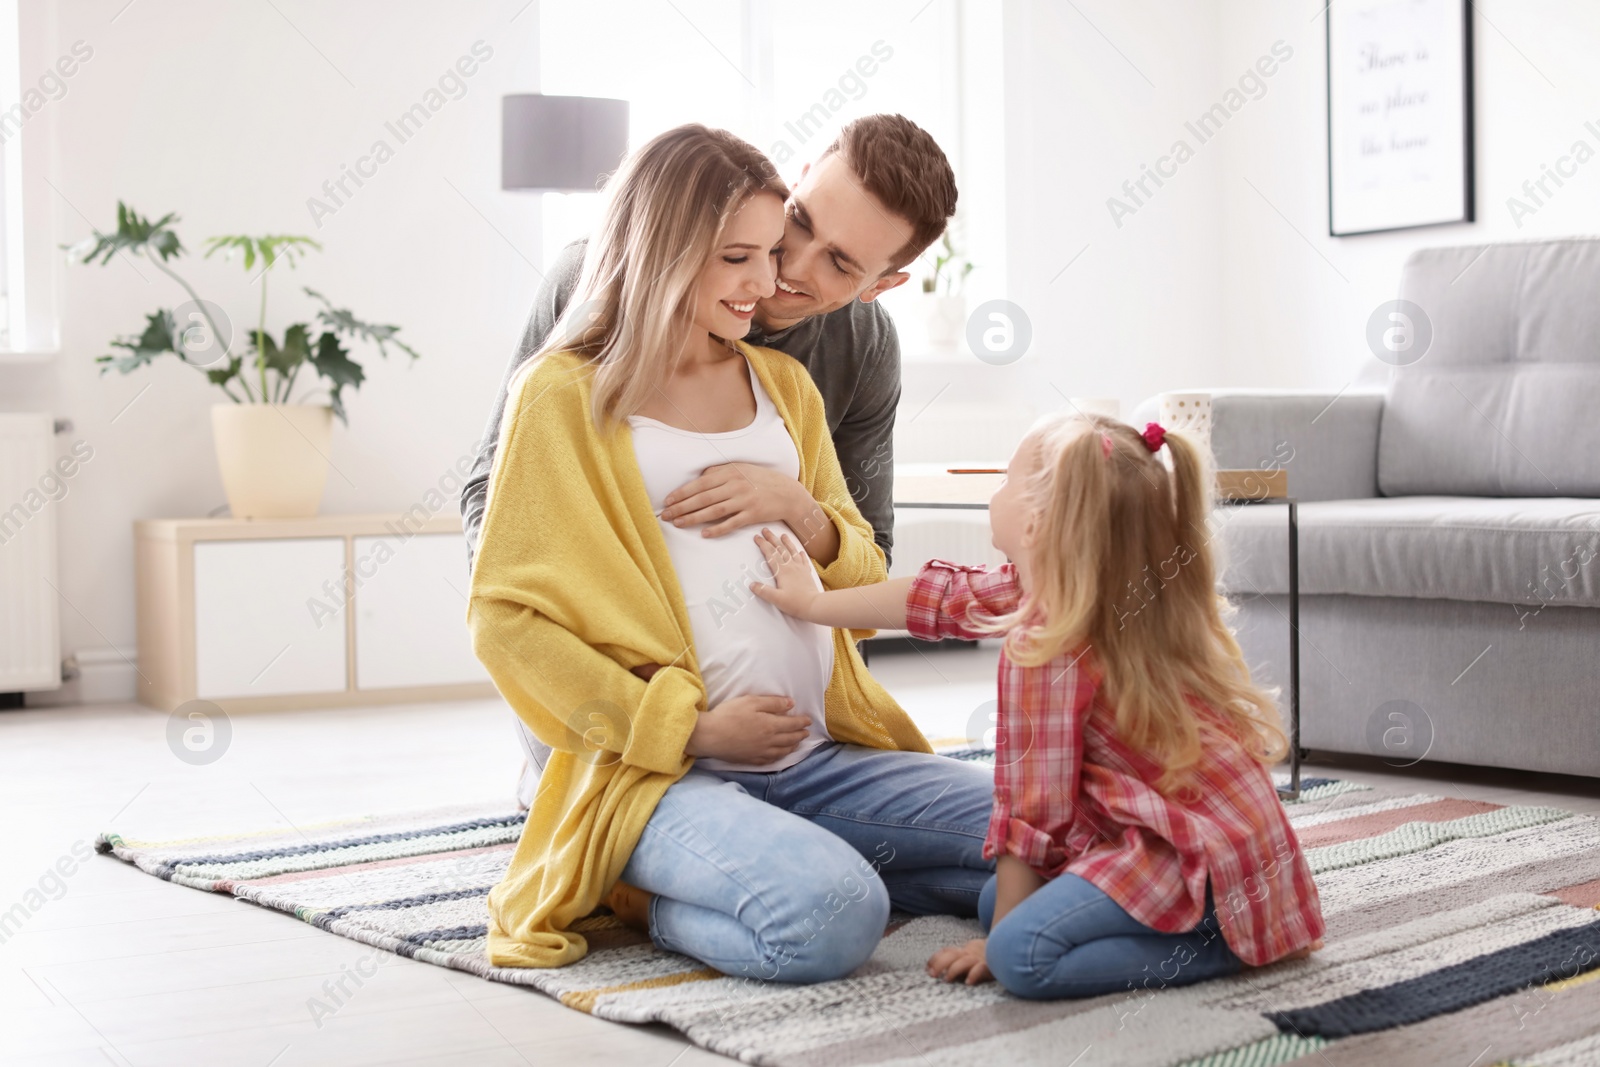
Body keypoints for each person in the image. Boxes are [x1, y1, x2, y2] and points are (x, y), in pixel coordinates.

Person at [467, 124, 995, 983]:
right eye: (757, 248)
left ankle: (779, 856)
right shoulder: (567, 381)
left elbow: (864, 558)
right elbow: (506, 602)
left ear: (880, 285)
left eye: (835, 263)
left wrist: (803, 511)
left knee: (1048, 830)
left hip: (816, 753)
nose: (778, 273)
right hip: (658, 761)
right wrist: (626, 732)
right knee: (834, 915)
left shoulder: (796, 381)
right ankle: (629, 878)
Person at [749, 413, 1326, 999]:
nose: (994, 492)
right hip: (1218, 842)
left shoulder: (1046, 647)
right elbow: (939, 597)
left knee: (1020, 955)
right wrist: (815, 605)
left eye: (1004, 479)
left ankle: (1224, 944)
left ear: (1037, 522)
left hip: (1196, 864)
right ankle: (1219, 921)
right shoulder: (1098, 587)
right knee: (995, 894)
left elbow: (1031, 812)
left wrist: (998, 942)